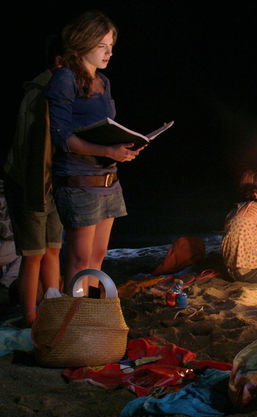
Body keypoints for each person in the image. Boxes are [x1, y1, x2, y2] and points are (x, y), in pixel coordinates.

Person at [47, 11, 143, 294]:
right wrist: (107, 150)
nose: (109, 53)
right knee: (80, 258)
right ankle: (76, 313)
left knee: (98, 255)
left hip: (108, 178)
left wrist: (124, 148)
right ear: (83, 43)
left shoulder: (104, 81)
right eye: (102, 46)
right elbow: (61, 136)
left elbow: (104, 127)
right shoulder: (65, 78)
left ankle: (90, 310)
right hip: (79, 181)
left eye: (111, 46)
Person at [3, 34, 64, 326]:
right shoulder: (40, 93)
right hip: (30, 185)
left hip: (52, 183)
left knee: (53, 249)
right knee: (33, 254)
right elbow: (30, 152)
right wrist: (35, 193)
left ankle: (51, 312)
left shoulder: (60, 91)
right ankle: (29, 318)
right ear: (59, 61)